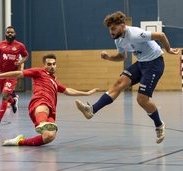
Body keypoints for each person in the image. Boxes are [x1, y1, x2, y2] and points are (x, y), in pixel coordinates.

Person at [75, 11, 180, 144]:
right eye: (109, 29)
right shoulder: (118, 39)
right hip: (141, 63)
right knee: (120, 83)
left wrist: (168, 49)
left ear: (122, 26)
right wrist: (108, 58)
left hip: (154, 63)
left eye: (113, 28)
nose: (111, 32)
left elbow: (161, 35)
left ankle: (159, 125)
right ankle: (92, 110)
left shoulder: (135, 34)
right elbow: (122, 57)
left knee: (142, 100)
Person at [0, 54, 99, 146]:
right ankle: (41, 123)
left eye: (54, 64)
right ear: (44, 64)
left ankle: (19, 142)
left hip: (51, 110)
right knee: (44, 107)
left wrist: (86, 93)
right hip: (39, 102)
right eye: (49, 64)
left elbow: (67, 90)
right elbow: (19, 73)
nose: (52, 66)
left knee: (49, 137)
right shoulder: (39, 72)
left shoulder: (54, 81)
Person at [0, 25, 29, 129]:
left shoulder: (20, 46)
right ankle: (13, 101)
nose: (10, 34)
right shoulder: (0, 45)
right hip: (2, 73)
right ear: (5, 34)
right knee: (6, 96)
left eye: (12, 32)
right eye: (8, 32)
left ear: (14, 34)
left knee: (5, 94)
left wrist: (20, 62)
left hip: (13, 74)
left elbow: (26, 55)